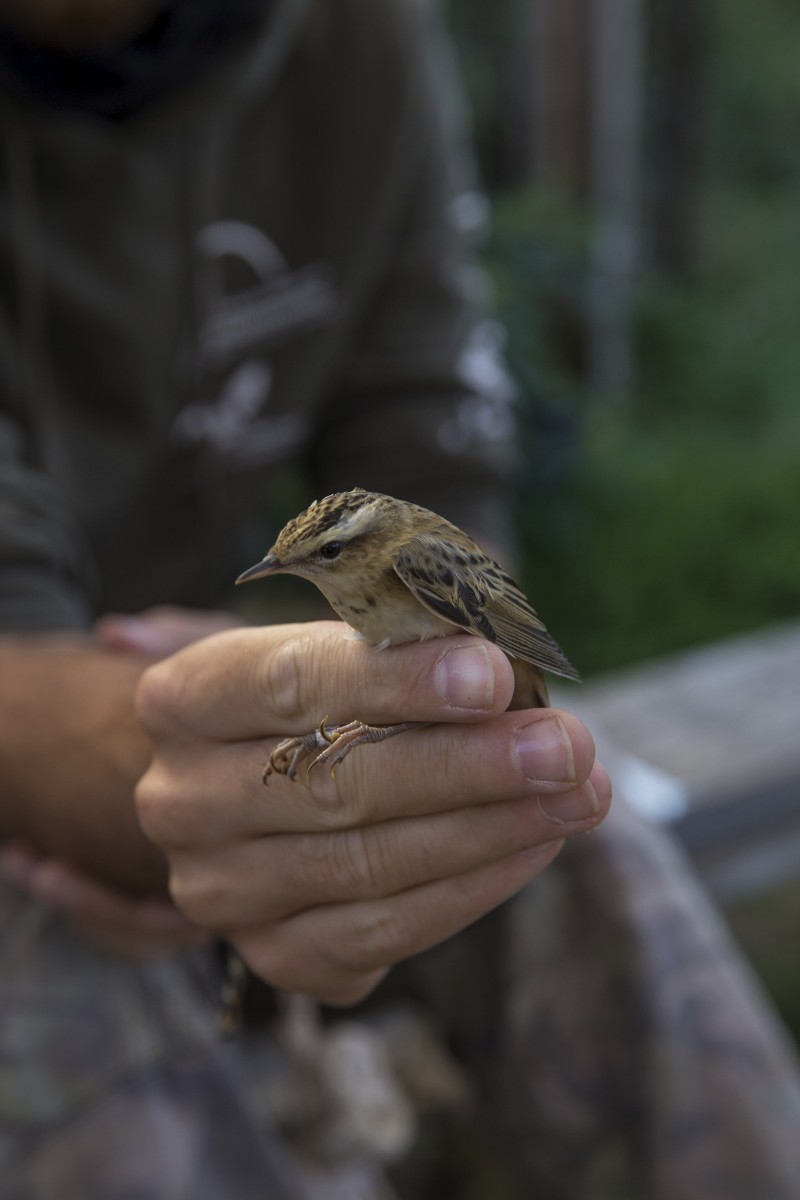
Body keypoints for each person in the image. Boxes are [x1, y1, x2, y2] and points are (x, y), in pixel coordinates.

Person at [0, 3, 798, 1199]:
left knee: (587, 837)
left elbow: (439, 461)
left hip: (219, 688)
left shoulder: (354, 34)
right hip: (63, 742)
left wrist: (380, 744)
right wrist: (202, 778)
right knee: (70, 986)